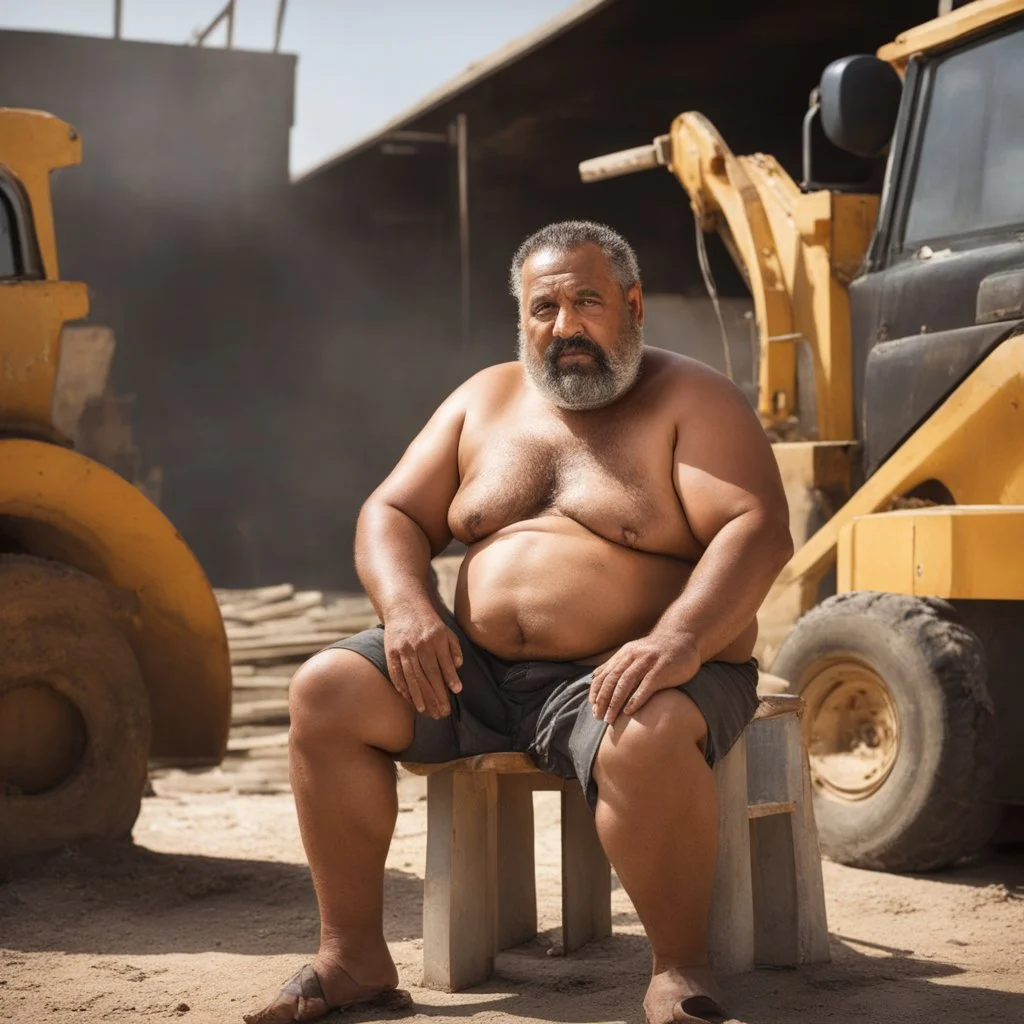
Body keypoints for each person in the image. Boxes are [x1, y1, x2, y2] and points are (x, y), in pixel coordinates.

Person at [245, 221, 792, 1024]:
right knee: (327, 690)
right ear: (521, 319)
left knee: (641, 730)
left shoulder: (692, 398)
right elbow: (391, 510)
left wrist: (679, 639)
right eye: (543, 308)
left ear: (633, 306)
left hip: (631, 670)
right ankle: (353, 956)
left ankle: (680, 969)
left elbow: (756, 526)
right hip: (474, 677)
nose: (564, 327)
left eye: (586, 302)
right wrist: (406, 608)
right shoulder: (484, 398)